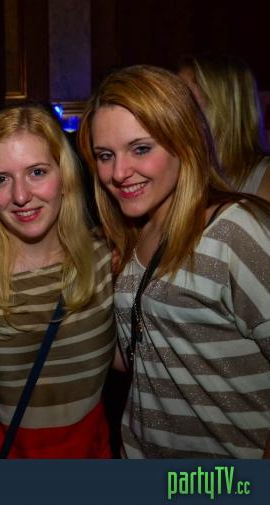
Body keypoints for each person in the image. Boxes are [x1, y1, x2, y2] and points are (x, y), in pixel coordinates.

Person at [78, 64, 270, 458]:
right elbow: (149, 355)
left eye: (141, 149)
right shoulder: (132, 237)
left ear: (185, 141)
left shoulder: (233, 232)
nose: (119, 172)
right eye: (105, 155)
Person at [0, 105, 115, 458]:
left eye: (37, 172)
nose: (20, 196)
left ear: (64, 176)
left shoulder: (107, 262)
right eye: (0, 179)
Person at [178, 53, 270, 200]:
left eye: (187, 96)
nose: (174, 106)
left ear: (222, 104)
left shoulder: (264, 178)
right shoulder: (182, 170)